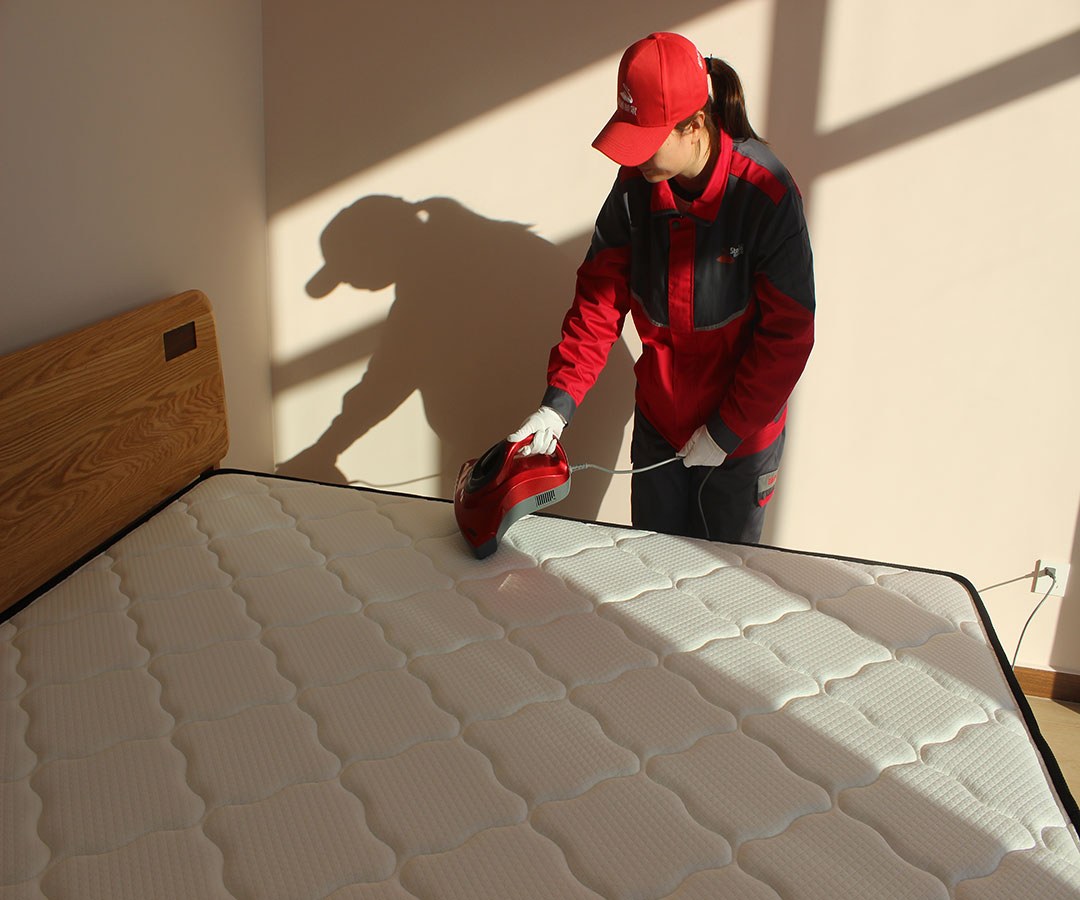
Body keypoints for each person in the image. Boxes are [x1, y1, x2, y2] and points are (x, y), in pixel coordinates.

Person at [510, 31, 815, 543]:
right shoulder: (636, 186)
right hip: (659, 429)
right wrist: (557, 403)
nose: (633, 158)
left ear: (694, 126)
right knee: (653, 566)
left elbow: (789, 337)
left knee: (724, 577)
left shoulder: (765, 195)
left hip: (739, 444)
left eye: (646, 140)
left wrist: (726, 430)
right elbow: (599, 299)